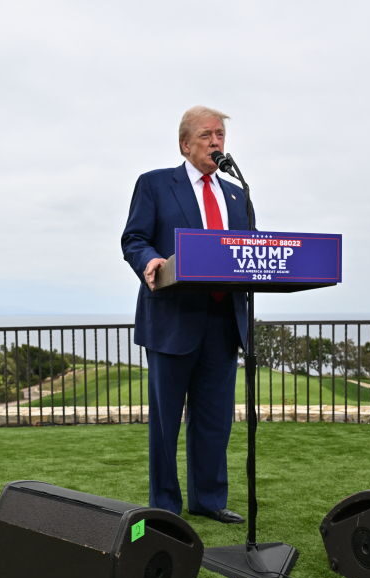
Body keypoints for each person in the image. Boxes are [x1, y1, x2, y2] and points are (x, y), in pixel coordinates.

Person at [120, 105, 249, 524]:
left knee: (214, 420)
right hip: (172, 320)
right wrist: (150, 260)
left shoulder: (236, 193)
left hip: (223, 322)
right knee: (165, 423)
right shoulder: (156, 185)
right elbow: (134, 238)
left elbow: (249, 252)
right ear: (185, 144)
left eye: (221, 136)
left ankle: (208, 500)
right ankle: (165, 507)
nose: (216, 142)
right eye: (207, 136)